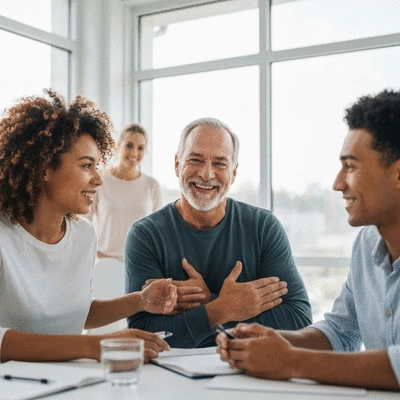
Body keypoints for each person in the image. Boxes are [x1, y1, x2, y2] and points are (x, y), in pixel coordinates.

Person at [216, 89, 400, 391]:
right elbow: (341, 331)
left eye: (351, 166)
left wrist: (290, 360)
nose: (338, 183)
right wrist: (270, 341)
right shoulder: (366, 245)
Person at [0, 89, 177, 363]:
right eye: (86, 166)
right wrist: (96, 345)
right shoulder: (4, 236)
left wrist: (140, 301)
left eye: (97, 166)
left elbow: (77, 312)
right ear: (45, 167)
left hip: (73, 382)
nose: (99, 180)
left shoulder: (83, 234)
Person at [125, 117, 312, 348]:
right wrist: (221, 308)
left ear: (233, 172)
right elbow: (142, 335)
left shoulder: (263, 227)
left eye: (220, 164)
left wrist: (208, 302)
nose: (206, 174)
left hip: (250, 372)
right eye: (195, 160)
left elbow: (298, 321)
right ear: (176, 164)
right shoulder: (145, 235)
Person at [86, 123, 162, 261]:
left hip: (140, 263)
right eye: (129, 145)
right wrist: (92, 252)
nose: (134, 153)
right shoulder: (100, 180)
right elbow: (84, 222)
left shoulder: (152, 186)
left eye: (140, 148)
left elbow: (158, 232)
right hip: (105, 263)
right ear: (118, 145)